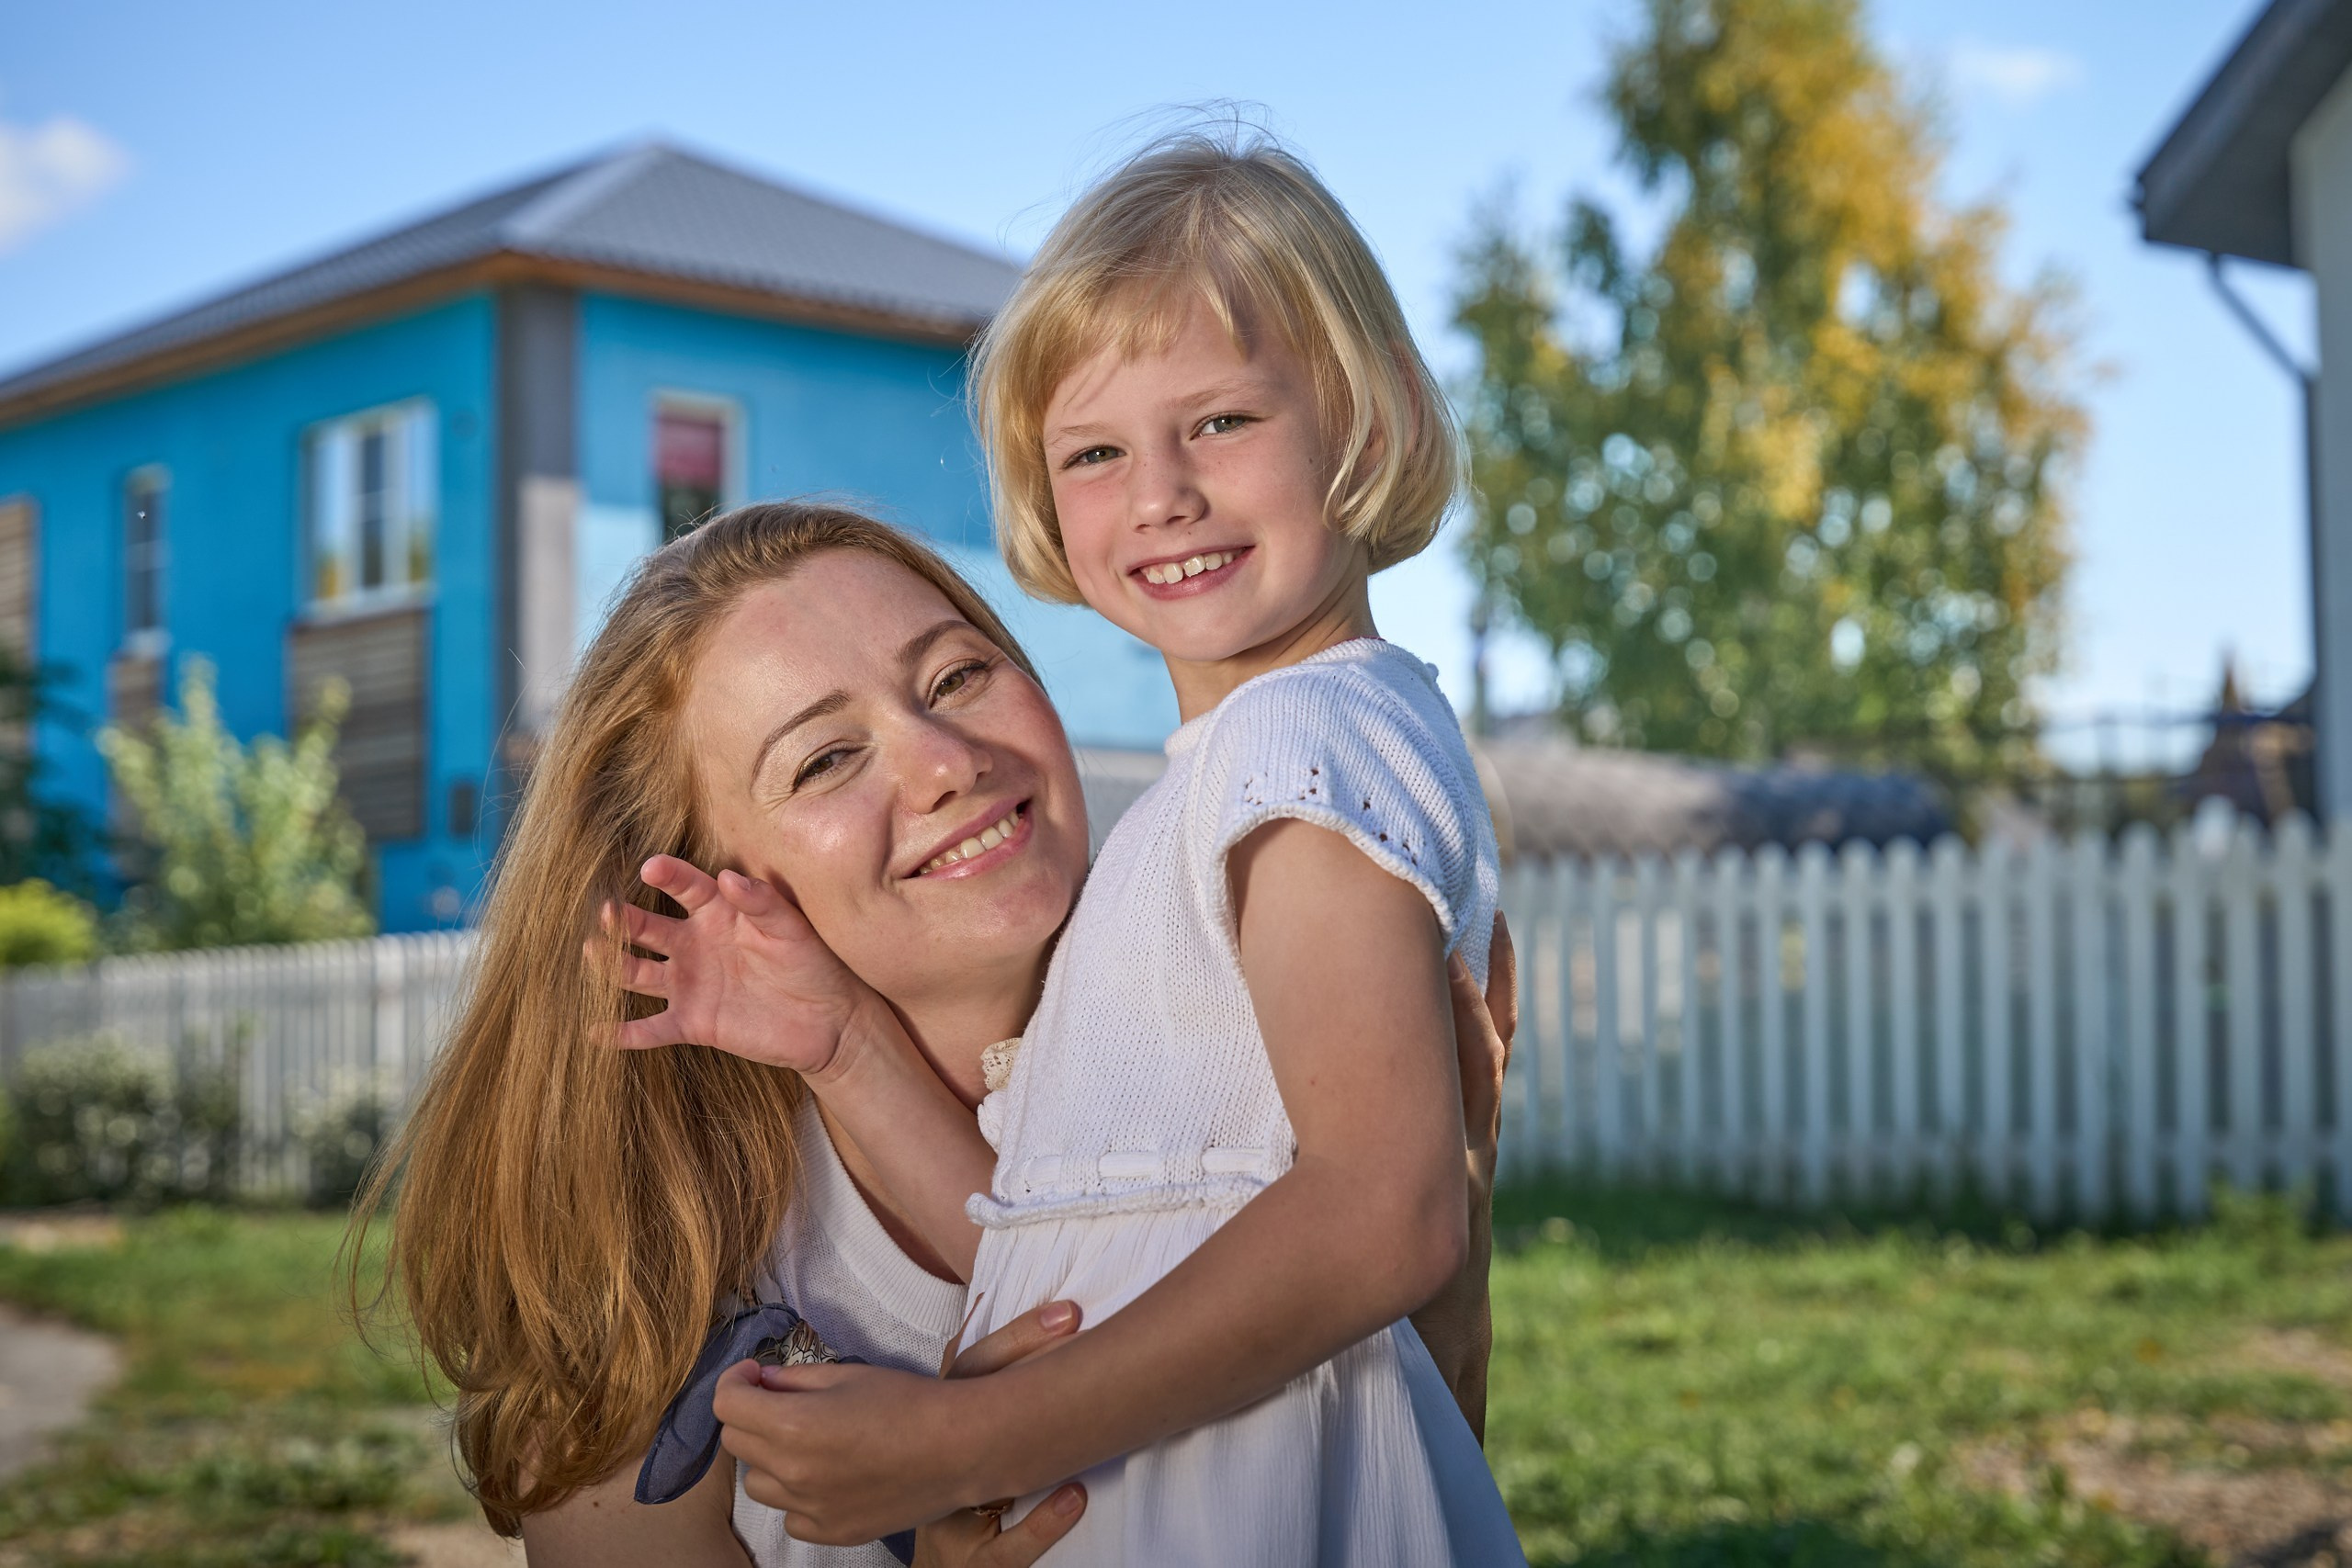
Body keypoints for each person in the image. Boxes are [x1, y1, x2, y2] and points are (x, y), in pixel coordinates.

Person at [618, 130, 1524, 1564]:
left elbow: (1386, 1215)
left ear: (1368, 417)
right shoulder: (1223, 789)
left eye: (1221, 421)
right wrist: (845, 1037)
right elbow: (1060, 1246)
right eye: (1096, 451)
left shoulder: (1307, 749)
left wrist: (958, 1441)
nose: (1160, 490)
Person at [356, 502, 1513, 1567]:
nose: (946, 762)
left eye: (957, 676)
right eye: (825, 759)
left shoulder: (1276, 1055)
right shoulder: (649, 1279)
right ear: (696, 889)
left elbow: (1389, 1491)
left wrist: (1445, 1264)